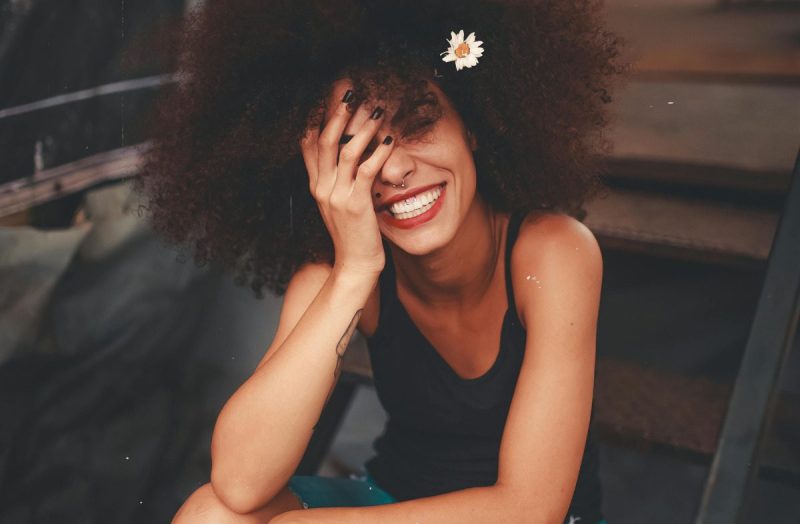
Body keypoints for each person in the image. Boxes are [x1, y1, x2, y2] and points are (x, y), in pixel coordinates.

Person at [136, 0, 628, 521]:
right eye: (353, 147)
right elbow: (238, 482)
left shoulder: (553, 252)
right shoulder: (339, 271)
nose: (391, 169)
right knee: (210, 515)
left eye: (416, 123)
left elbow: (530, 508)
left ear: (475, 123)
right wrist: (354, 271)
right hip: (394, 502)